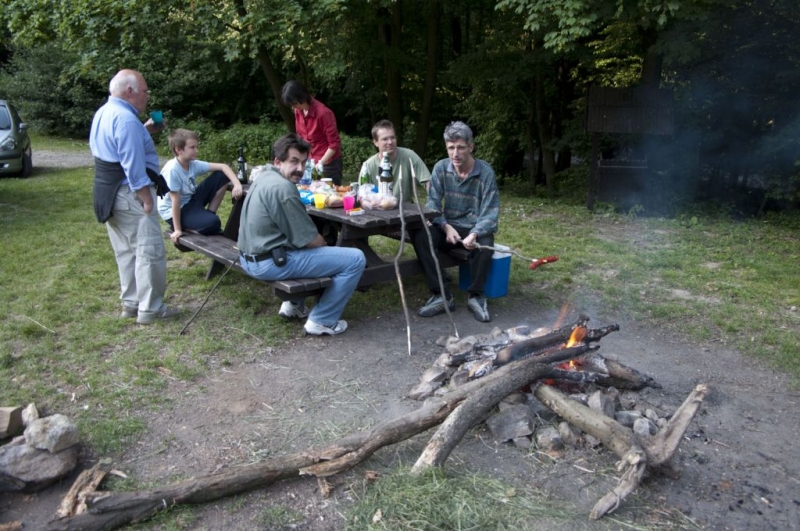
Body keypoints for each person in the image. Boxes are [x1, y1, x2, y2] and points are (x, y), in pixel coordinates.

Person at [237, 133, 366, 336]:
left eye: (304, 163)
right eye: (294, 161)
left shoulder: (265, 177)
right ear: (278, 161)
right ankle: (322, 320)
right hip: (266, 263)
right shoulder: (283, 188)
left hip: (249, 257)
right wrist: (325, 245)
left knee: (309, 250)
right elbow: (311, 241)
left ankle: (293, 306)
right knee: (354, 258)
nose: (300, 168)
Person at [90, 69, 180, 325]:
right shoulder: (125, 120)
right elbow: (131, 164)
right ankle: (151, 309)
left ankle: (131, 303)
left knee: (126, 251)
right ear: (130, 91)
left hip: (107, 191)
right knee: (148, 250)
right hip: (128, 193)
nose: (147, 96)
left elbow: (117, 147)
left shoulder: (105, 112)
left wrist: (145, 130)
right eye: (145, 90)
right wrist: (147, 199)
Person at [412, 121, 500, 323]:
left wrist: (475, 233)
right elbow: (432, 206)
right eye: (451, 148)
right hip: (448, 226)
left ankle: (476, 296)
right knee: (421, 235)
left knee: (485, 243)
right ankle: (442, 295)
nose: (455, 153)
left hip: (474, 228)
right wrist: (445, 226)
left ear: (471, 146)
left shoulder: (485, 173)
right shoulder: (441, 168)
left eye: (460, 147)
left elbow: (490, 213)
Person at [157, 129, 243, 244]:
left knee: (221, 176)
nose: (196, 150)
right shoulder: (172, 170)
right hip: (176, 211)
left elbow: (223, 167)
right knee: (214, 223)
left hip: (190, 201)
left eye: (196, 147)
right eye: (192, 147)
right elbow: (175, 201)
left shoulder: (192, 163)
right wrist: (177, 230)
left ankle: (208, 214)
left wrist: (237, 184)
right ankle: (189, 225)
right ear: (178, 149)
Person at [281, 80, 343, 185]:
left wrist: (320, 164)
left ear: (301, 97)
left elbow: (334, 144)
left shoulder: (324, 113)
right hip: (308, 161)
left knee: (328, 197)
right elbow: (300, 138)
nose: (293, 107)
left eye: (294, 103)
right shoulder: (298, 111)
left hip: (328, 164)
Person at [358, 119, 431, 201]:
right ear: (375, 142)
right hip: (378, 209)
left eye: (392, 137)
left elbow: (428, 182)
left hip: (406, 208)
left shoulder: (409, 156)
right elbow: (362, 196)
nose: (390, 142)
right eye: (385, 139)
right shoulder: (368, 166)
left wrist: (434, 204)